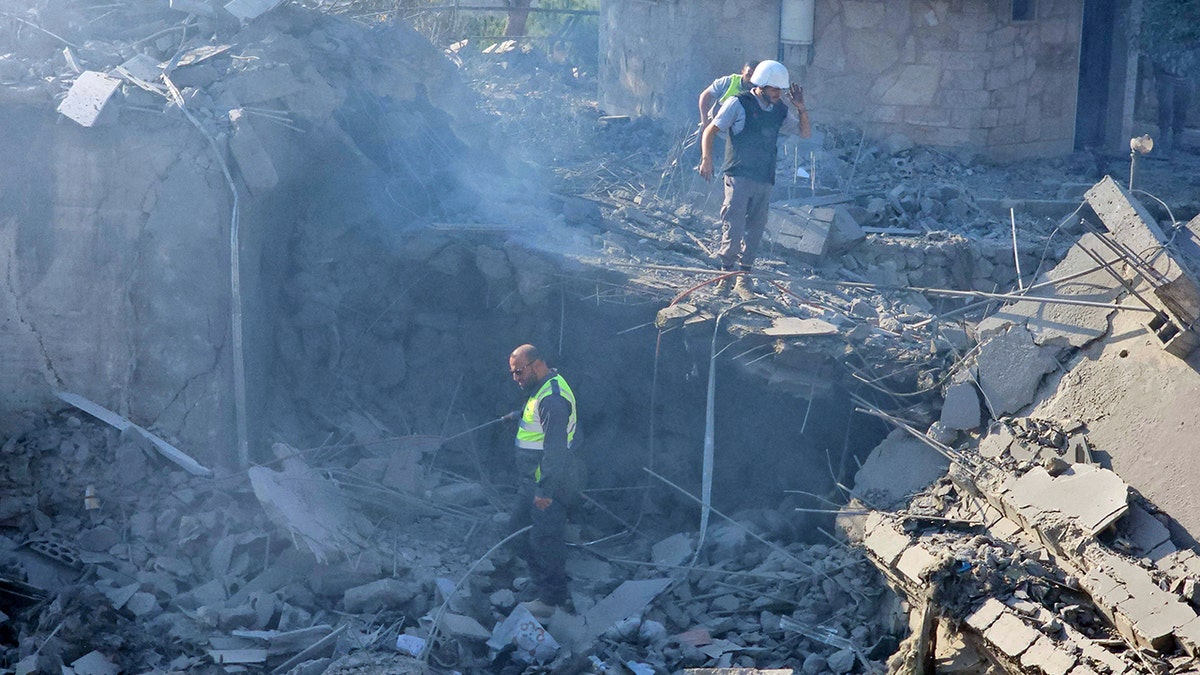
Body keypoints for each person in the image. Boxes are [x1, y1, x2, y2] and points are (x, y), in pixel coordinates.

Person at [699, 60, 811, 299]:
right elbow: (711, 130)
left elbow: (804, 133)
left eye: (780, 90)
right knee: (734, 225)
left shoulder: (780, 109)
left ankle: (744, 278)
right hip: (739, 174)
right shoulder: (738, 103)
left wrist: (801, 108)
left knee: (755, 230)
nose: (778, 94)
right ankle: (725, 277)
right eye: (773, 89)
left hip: (764, 177)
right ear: (761, 86)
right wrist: (707, 159)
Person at [506, 344, 579, 619]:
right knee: (519, 533)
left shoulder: (553, 399)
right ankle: (542, 586)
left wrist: (545, 491)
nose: (516, 378)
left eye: (519, 371)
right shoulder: (542, 388)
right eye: (513, 373)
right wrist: (517, 417)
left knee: (545, 540)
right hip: (533, 483)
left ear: (537, 364)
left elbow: (556, 449)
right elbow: (538, 422)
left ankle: (551, 601)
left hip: (547, 485)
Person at [697, 61, 759, 129]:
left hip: (736, 135)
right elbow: (705, 96)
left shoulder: (761, 91)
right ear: (743, 71)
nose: (750, 79)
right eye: (748, 75)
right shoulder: (729, 81)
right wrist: (705, 121)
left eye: (754, 77)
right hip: (712, 127)